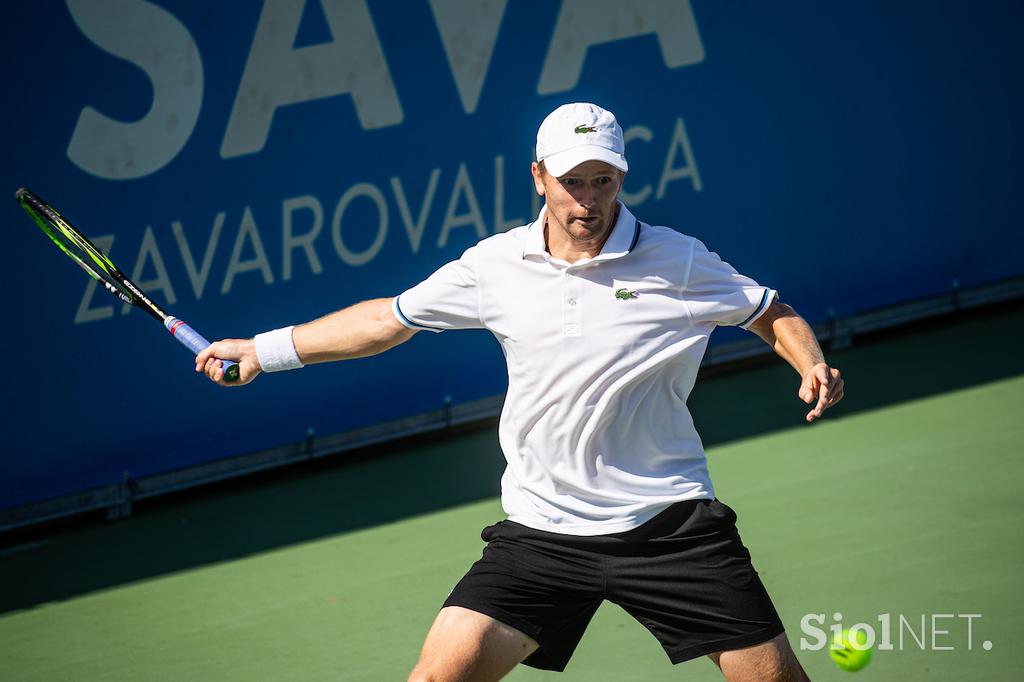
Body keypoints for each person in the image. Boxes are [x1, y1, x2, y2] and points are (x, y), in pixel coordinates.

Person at [197, 102, 843, 681]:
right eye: (571, 182)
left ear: (622, 177)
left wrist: (808, 362)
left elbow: (767, 309)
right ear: (539, 178)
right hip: (543, 531)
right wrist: (262, 351)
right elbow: (385, 322)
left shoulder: (677, 260)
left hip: (666, 523)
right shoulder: (495, 266)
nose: (587, 201)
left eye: (603, 180)